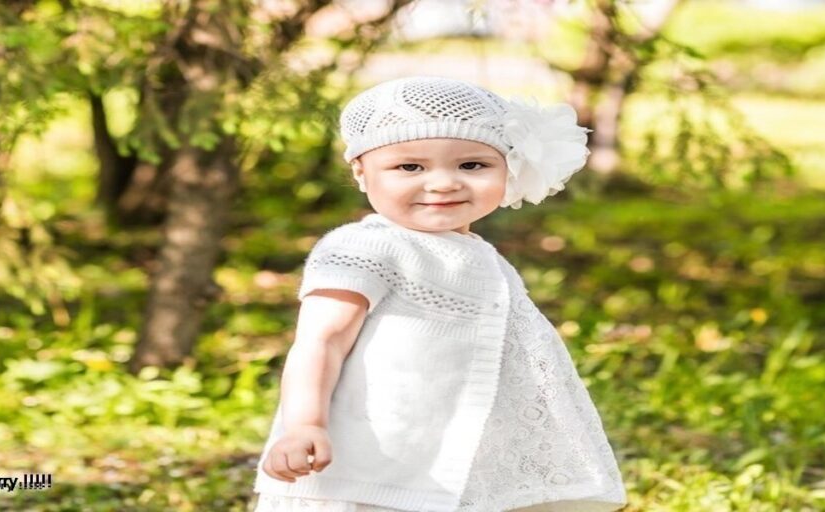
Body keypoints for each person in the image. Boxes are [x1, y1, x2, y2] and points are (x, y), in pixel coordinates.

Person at [252, 75, 627, 512]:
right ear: (360, 171)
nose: (444, 183)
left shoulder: (481, 256)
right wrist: (304, 424)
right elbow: (322, 340)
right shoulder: (364, 246)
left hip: (460, 450)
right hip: (381, 453)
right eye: (410, 167)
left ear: (509, 169)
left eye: (472, 165)